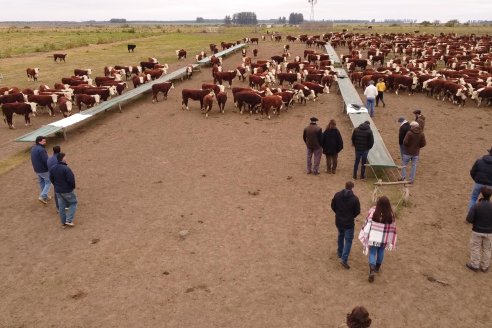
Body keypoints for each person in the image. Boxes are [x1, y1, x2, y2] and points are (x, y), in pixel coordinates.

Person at [358, 196, 397, 283]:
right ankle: (377, 268)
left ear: (378, 203)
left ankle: (372, 269)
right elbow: (393, 228)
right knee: (381, 252)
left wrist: (365, 232)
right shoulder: (391, 214)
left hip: (374, 237)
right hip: (384, 238)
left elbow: (367, 222)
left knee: (372, 252)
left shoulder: (373, 212)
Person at [331, 181, 361, 269]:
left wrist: (338, 213)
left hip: (339, 221)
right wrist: (352, 216)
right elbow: (357, 211)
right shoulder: (355, 199)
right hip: (349, 223)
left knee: (340, 235)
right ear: (352, 188)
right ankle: (344, 259)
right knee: (348, 240)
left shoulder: (337, 195)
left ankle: (340, 252)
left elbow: (333, 206)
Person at [466, 187, 492, 272]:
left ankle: (475, 265)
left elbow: (469, 219)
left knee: (475, 248)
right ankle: (485, 266)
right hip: (489, 232)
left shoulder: (476, 206)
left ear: (481, 194)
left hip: (477, 231)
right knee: (487, 249)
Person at [49, 153, 77, 227]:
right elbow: (71, 180)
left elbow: (51, 178)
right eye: (65, 157)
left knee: (61, 207)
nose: (66, 158)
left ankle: (63, 223)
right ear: (63, 158)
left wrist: (56, 185)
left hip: (58, 191)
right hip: (67, 190)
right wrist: (72, 187)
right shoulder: (66, 168)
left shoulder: (53, 168)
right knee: (73, 203)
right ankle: (69, 220)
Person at [30, 135, 51, 204]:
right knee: (48, 182)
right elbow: (46, 160)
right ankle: (42, 196)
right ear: (39, 141)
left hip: (37, 169)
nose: (45, 142)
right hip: (43, 169)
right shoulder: (42, 150)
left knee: (42, 182)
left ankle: (45, 196)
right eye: (43, 141)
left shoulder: (33, 148)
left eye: (45, 141)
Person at [47, 145, 61, 211]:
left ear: (53, 151)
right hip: (59, 177)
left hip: (52, 177)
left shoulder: (49, 159)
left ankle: (58, 207)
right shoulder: (59, 159)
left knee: (56, 192)